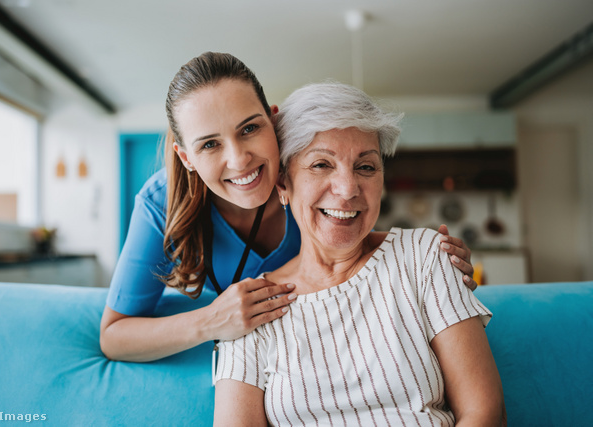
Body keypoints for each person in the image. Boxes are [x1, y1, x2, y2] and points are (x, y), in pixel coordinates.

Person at [100, 52, 477, 362]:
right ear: (186, 158)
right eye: (209, 145)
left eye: (249, 129)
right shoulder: (161, 202)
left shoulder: (305, 175)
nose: (240, 160)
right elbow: (114, 336)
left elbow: (347, 238)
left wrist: (425, 256)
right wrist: (212, 321)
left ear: (273, 120)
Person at [214, 82, 504, 426]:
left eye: (365, 167)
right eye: (321, 164)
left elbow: (484, 413)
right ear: (282, 184)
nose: (348, 189)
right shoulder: (251, 308)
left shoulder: (425, 256)